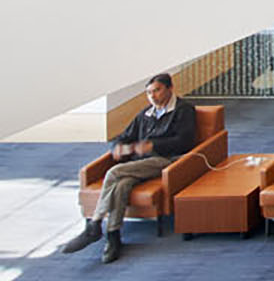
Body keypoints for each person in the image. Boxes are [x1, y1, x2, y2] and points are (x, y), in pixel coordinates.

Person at [60, 73, 198, 263]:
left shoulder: (183, 110)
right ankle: (113, 234)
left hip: (166, 160)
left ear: (170, 89)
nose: (153, 96)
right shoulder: (145, 114)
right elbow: (124, 136)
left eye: (157, 90)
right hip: (139, 163)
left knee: (114, 172)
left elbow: (185, 141)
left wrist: (153, 146)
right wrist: (117, 148)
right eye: (149, 93)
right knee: (122, 184)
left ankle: (95, 223)